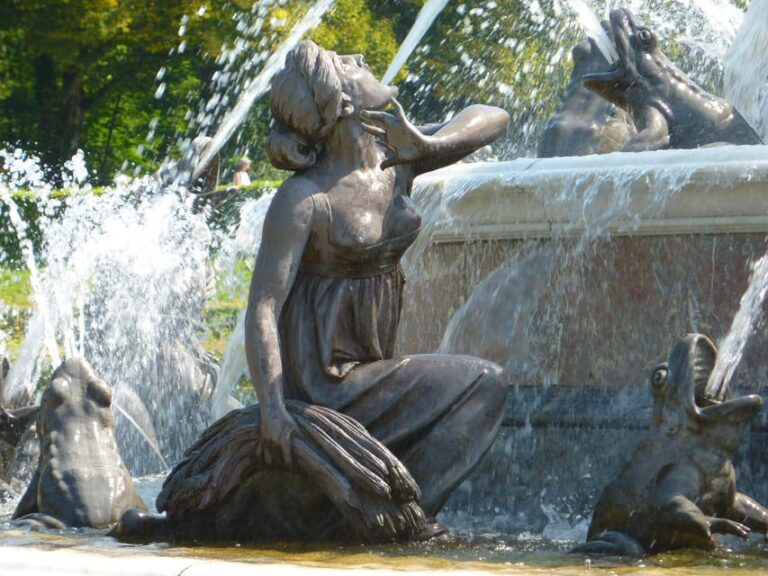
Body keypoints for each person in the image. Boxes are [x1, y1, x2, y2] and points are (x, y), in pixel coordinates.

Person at [244, 40, 510, 530]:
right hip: (326, 380)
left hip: (370, 366)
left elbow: (493, 117)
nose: (360, 59)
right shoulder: (304, 198)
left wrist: (429, 147)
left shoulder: (397, 158)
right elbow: (263, 306)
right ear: (343, 103)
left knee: (472, 391)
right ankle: (408, 523)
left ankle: (388, 514)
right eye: (345, 63)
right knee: (484, 383)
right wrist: (273, 410)